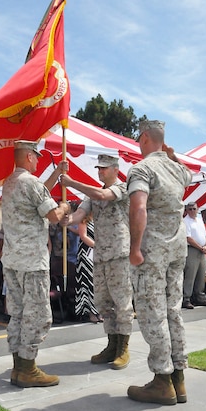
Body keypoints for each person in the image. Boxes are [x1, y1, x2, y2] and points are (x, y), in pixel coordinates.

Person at [126, 120, 192, 406]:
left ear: (142, 138)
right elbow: (188, 175)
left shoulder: (142, 169)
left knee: (153, 313)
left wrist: (134, 248)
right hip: (177, 250)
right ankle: (179, 378)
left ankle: (162, 382)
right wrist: (172, 155)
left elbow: (138, 207)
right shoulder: (177, 169)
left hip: (152, 252)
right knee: (173, 312)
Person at [2, 140, 70, 388]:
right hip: (32, 261)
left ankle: (18, 368)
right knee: (38, 314)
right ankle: (28, 368)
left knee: (18, 313)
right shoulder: (30, 183)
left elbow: (38, 194)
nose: (39, 160)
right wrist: (64, 206)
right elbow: (53, 216)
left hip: (12, 261)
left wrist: (56, 173)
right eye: (37, 157)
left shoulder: (10, 183)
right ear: (29, 157)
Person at [61, 154, 133, 370]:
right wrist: (65, 219)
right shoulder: (92, 195)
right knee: (103, 302)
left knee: (122, 302)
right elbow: (81, 214)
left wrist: (72, 182)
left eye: (103, 168)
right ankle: (111, 345)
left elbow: (102, 195)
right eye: (98, 168)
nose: (100, 171)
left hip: (119, 253)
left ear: (114, 169)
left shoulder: (122, 188)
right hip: (100, 255)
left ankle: (123, 348)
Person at [183, 202, 206, 308]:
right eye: (190, 209)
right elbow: (188, 238)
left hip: (202, 249)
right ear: (186, 210)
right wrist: (200, 247)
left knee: (201, 275)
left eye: (194, 209)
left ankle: (200, 297)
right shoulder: (185, 221)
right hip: (192, 249)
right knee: (190, 275)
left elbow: (205, 235)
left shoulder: (200, 221)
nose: (192, 211)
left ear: (197, 209)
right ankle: (186, 298)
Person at [75, 212, 102, 323]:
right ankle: (90, 312)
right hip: (86, 254)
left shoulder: (100, 219)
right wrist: (97, 246)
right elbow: (83, 235)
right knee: (89, 282)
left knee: (99, 283)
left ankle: (99, 311)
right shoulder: (84, 219)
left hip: (99, 254)